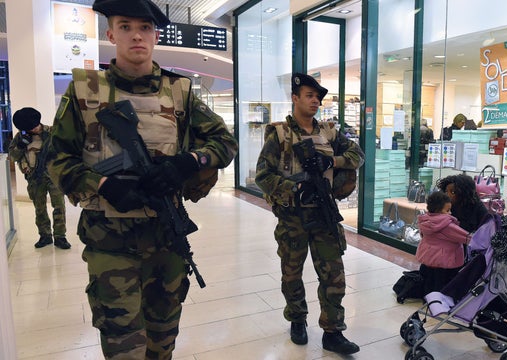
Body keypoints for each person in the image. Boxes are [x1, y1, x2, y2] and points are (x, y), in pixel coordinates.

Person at [47, 0, 238, 358]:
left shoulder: (179, 92)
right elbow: (56, 158)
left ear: (155, 35)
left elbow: (225, 143)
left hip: (166, 240)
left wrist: (187, 162)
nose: (136, 35)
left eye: (145, 28)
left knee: (163, 338)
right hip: (109, 244)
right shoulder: (85, 90)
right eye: (125, 26)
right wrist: (103, 185)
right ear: (110, 34)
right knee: (122, 343)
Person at [255, 73, 364, 355]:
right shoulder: (278, 134)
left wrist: (332, 159)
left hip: (325, 212)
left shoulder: (329, 132)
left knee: (334, 274)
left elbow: (357, 156)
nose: (315, 101)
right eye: (309, 96)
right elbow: (263, 176)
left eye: (318, 97)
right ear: (295, 98)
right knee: (291, 273)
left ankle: (333, 331)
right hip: (293, 217)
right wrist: (294, 189)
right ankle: (297, 319)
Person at [8, 107, 70, 249]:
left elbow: (66, 152)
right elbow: (12, 157)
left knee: (59, 206)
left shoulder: (53, 132)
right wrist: (20, 146)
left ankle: (60, 237)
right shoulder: (20, 137)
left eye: (35, 126)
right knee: (39, 208)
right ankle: (45, 236)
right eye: (31, 128)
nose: (35, 129)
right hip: (35, 178)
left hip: (54, 177)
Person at [416, 191, 471, 294]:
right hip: (445, 261)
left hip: (428, 258)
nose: (450, 213)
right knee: (442, 287)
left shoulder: (424, 221)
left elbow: (422, 235)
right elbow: (467, 238)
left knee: (429, 284)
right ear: (438, 210)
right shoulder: (448, 226)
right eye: (448, 210)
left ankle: (428, 302)